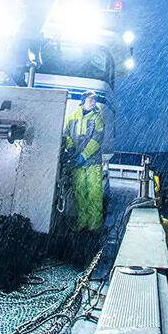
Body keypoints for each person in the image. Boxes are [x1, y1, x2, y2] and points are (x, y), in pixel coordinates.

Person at [63, 92, 106, 231]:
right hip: (77, 162)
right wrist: (70, 149)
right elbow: (67, 135)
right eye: (91, 99)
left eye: (95, 100)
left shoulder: (97, 118)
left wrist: (83, 155)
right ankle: (82, 221)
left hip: (92, 162)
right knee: (80, 193)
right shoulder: (71, 118)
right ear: (83, 101)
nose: (93, 102)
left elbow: (97, 140)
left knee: (94, 193)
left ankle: (94, 224)